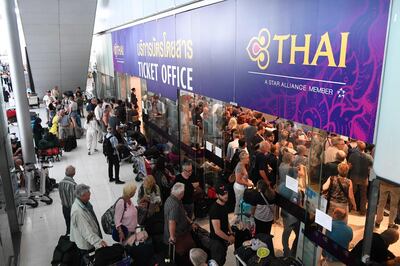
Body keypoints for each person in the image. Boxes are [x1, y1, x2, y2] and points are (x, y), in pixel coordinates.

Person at [70, 184, 108, 265]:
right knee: (87, 262)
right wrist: (98, 242)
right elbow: (86, 231)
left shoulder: (84, 203)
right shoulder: (78, 212)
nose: (90, 195)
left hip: (90, 241)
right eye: (88, 194)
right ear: (82, 196)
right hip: (86, 245)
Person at [164, 182, 195, 263]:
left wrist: (190, 222)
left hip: (180, 233)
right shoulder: (175, 205)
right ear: (181, 193)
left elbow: (184, 213)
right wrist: (172, 237)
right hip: (179, 236)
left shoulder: (172, 198)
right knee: (184, 253)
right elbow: (172, 222)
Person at [209, 184, 234, 266]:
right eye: (223, 194)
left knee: (223, 259)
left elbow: (226, 220)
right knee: (218, 262)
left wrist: (230, 232)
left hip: (223, 239)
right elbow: (217, 231)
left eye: (226, 193)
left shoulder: (224, 204)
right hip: (216, 242)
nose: (226, 196)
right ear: (217, 195)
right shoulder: (215, 209)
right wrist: (229, 238)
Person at [348, 141, 373, 215]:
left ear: (357, 147)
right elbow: (372, 167)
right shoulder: (369, 157)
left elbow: (349, 166)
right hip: (364, 178)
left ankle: (349, 207)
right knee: (363, 195)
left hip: (354, 177)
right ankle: (363, 211)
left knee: (351, 193)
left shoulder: (353, 155)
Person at [58, 165, 77, 235]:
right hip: (72, 209)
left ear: (65, 172)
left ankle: (68, 236)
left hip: (64, 208)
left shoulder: (60, 183)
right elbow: (73, 200)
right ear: (74, 173)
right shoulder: (73, 185)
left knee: (68, 225)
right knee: (75, 227)